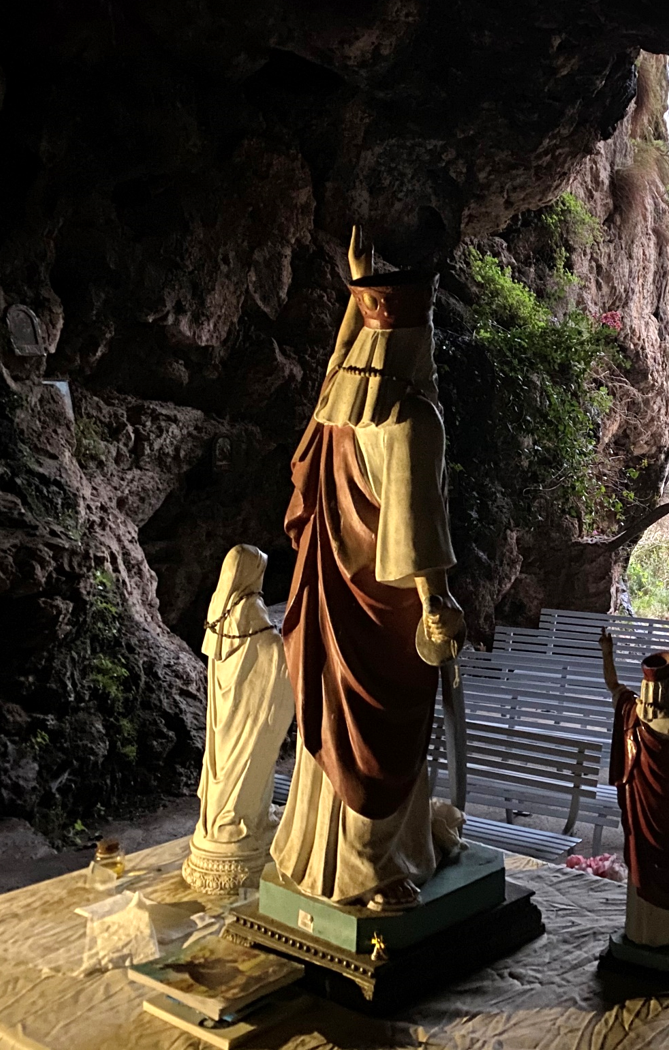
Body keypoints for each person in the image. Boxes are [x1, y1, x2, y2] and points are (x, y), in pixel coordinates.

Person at [272, 226, 465, 909]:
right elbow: (416, 535)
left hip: (329, 599)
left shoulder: (333, 410)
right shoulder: (414, 421)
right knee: (379, 734)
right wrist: (439, 601)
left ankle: (311, 854)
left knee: (331, 725)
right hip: (387, 614)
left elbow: (343, 361)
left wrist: (358, 295)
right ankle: (368, 868)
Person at [184, 544, 294, 894]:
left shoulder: (221, 605)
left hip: (225, 714)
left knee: (225, 770)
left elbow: (224, 656)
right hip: (249, 714)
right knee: (247, 766)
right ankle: (241, 825)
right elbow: (274, 655)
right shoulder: (250, 607)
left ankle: (218, 825)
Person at [599, 631, 669, 948]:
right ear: (666, 686)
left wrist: (607, 652)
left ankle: (642, 928)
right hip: (668, 808)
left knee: (642, 860)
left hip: (639, 807)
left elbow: (612, 685)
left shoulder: (630, 708)